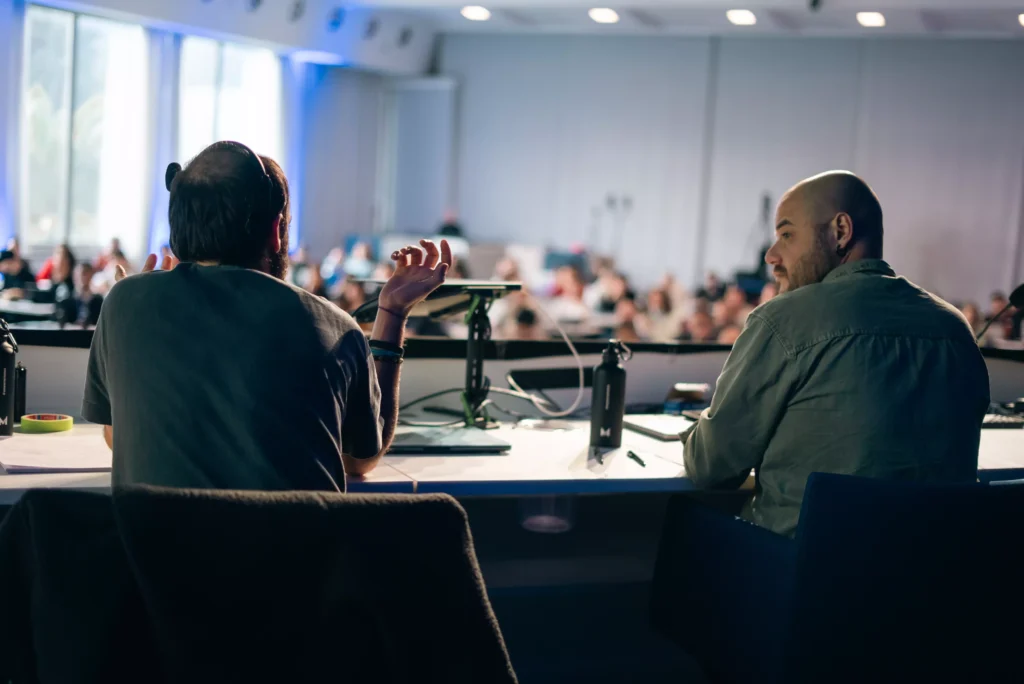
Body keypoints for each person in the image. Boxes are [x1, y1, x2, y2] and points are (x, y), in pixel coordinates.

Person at [83, 141, 451, 492]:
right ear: (276, 231)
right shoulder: (335, 328)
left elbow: (117, 437)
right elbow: (360, 460)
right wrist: (392, 312)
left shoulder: (123, 303)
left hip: (160, 540)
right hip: (296, 540)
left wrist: (138, 306)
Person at [683, 171, 990, 537]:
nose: (771, 255)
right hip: (931, 567)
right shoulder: (955, 329)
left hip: (801, 564)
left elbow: (710, 466)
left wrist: (696, 432)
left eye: (786, 235)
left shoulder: (784, 321)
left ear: (840, 231)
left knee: (680, 525)